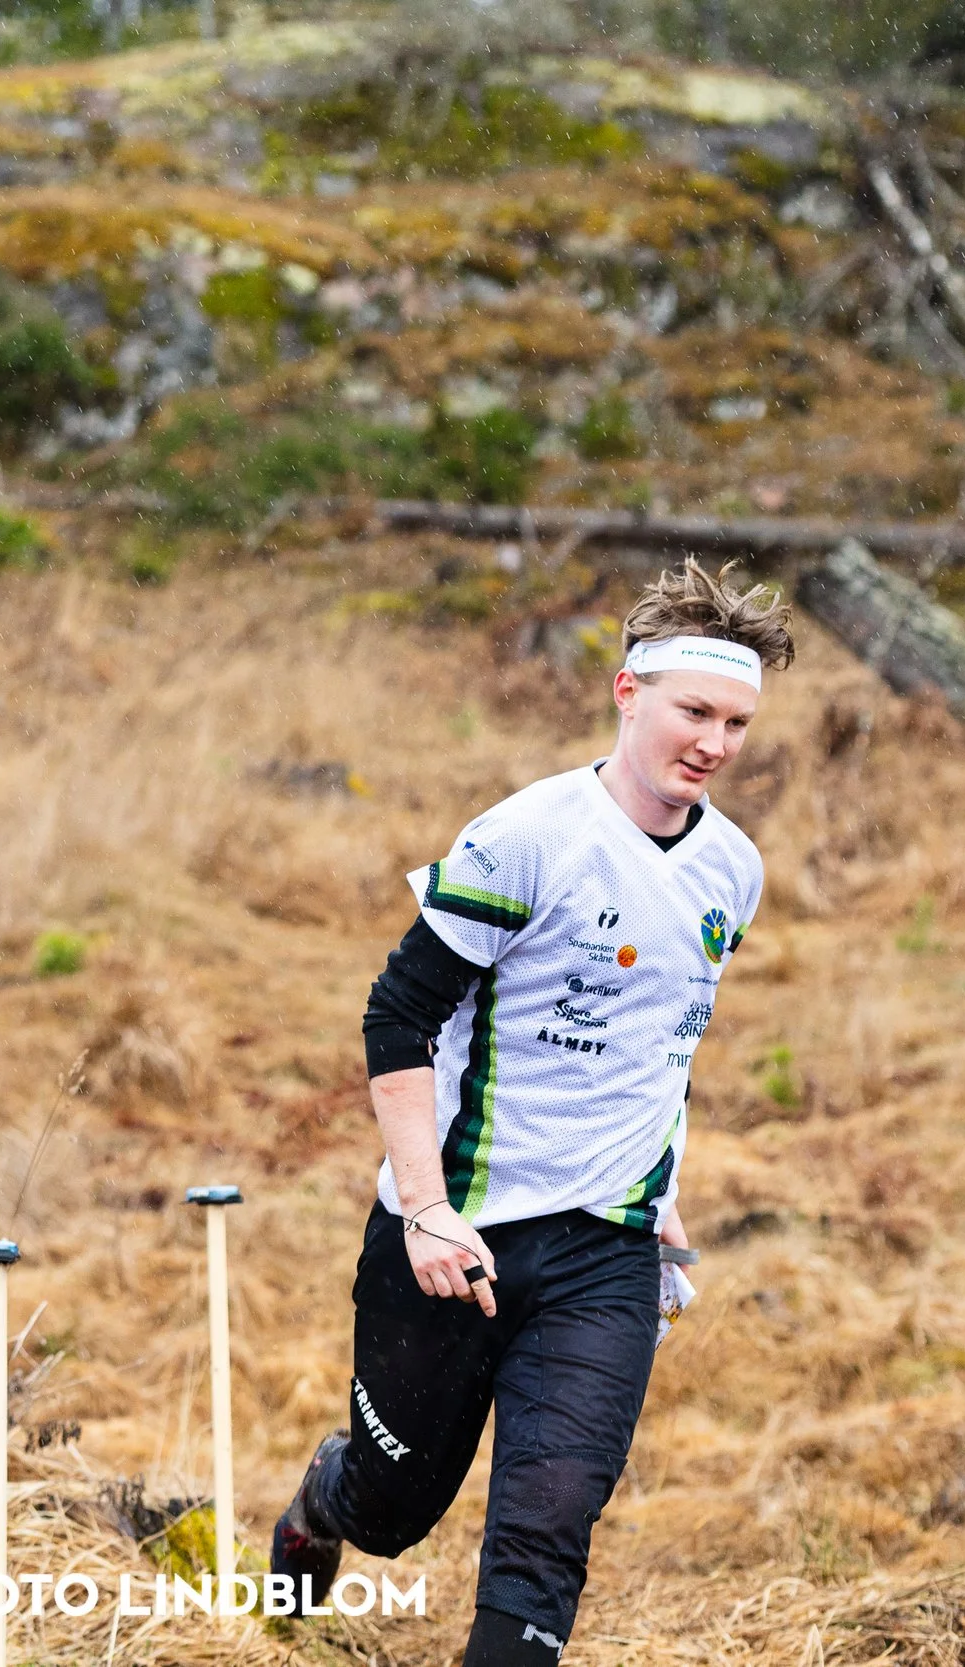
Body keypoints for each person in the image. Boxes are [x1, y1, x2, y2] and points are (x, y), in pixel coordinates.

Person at [268, 559, 796, 1666]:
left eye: (736, 721)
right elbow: (397, 1017)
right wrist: (424, 1209)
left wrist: (660, 1194)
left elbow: (658, 1045)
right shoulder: (525, 838)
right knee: (393, 1504)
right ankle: (322, 1500)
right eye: (692, 711)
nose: (711, 741)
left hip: (603, 1253)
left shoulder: (733, 871)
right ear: (626, 693)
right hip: (456, 1235)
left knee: (545, 1533)